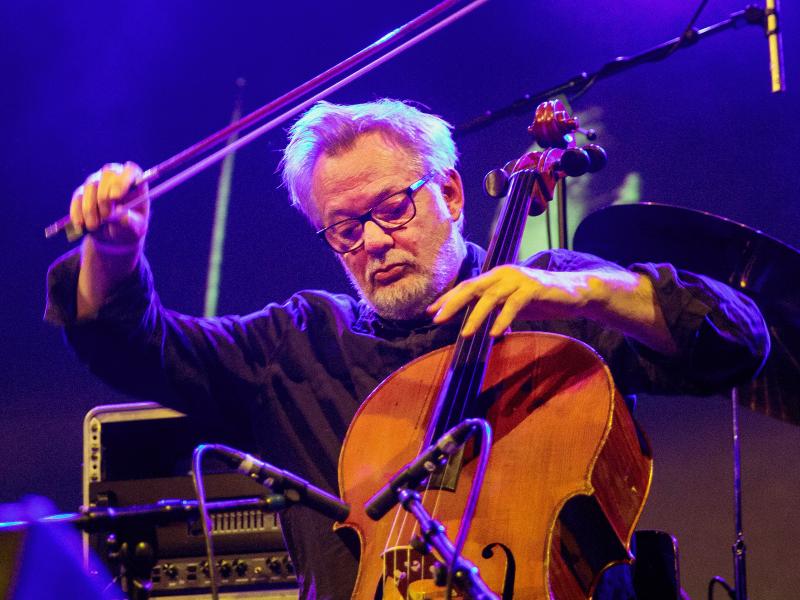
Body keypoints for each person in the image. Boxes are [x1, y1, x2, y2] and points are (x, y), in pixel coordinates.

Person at [46, 99, 769, 599]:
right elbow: (139, 347)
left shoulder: (552, 299)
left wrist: (595, 293)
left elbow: (738, 339)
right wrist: (112, 250)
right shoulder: (300, 344)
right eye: (344, 228)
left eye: (393, 207)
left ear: (451, 194)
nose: (374, 241)